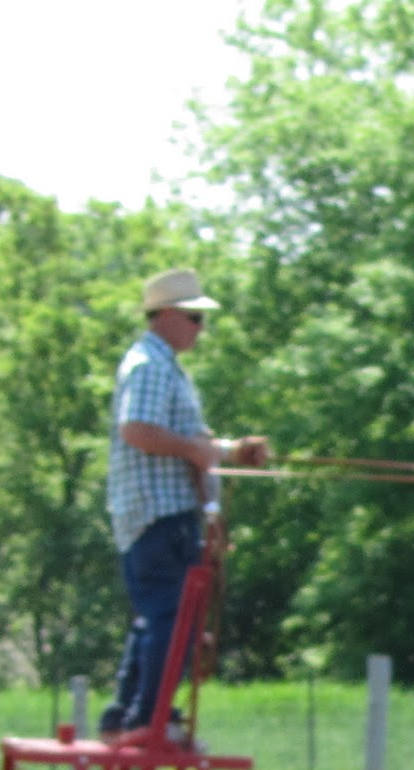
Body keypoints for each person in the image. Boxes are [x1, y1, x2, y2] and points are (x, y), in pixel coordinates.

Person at [98, 268, 270, 740]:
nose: (201, 328)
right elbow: (137, 430)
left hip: (155, 513)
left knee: (156, 616)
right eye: (195, 318)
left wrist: (232, 452)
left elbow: (187, 440)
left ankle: (126, 717)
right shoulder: (151, 366)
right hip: (159, 511)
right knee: (172, 618)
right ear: (168, 316)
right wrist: (197, 450)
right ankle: (150, 719)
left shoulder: (158, 365)